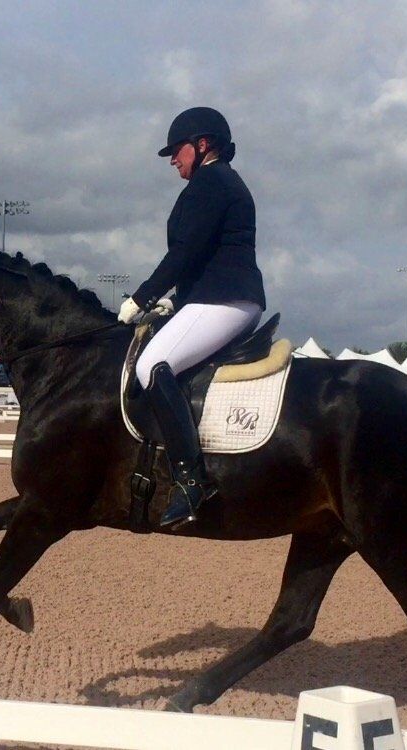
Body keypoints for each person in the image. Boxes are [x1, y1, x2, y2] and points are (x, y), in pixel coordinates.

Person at [118, 107, 266, 527]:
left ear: (202, 145)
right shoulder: (215, 181)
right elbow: (202, 254)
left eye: (176, 150)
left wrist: (142, 297)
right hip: (215, 297)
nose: (172, 160)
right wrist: (177, 303)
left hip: (226, 299)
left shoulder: (212, 182)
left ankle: (191, 481)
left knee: (152, 364)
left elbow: (185, 253)